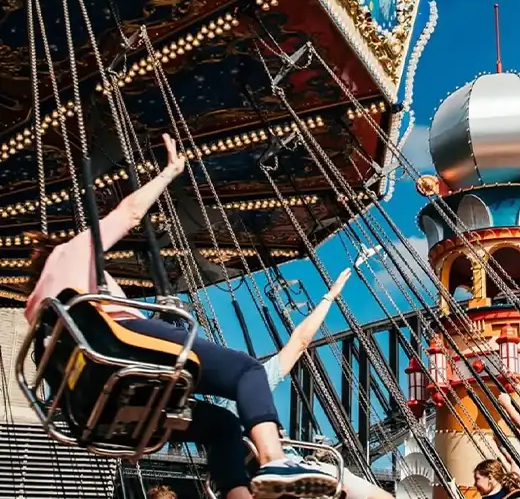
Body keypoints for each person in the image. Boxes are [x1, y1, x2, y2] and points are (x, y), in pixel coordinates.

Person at [23, 133, 339, 499]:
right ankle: (275, 459)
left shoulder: (37, 309)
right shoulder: (70, 251)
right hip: (126, 353)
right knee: (246, 371)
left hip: (96, 405)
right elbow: (129, 213)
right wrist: (169, 173)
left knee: (222, 425)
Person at [218, 271, 393, 499]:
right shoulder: (250, 381)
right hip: (298, 471)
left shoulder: (215, 419)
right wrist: (330, 296)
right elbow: (300, 342)